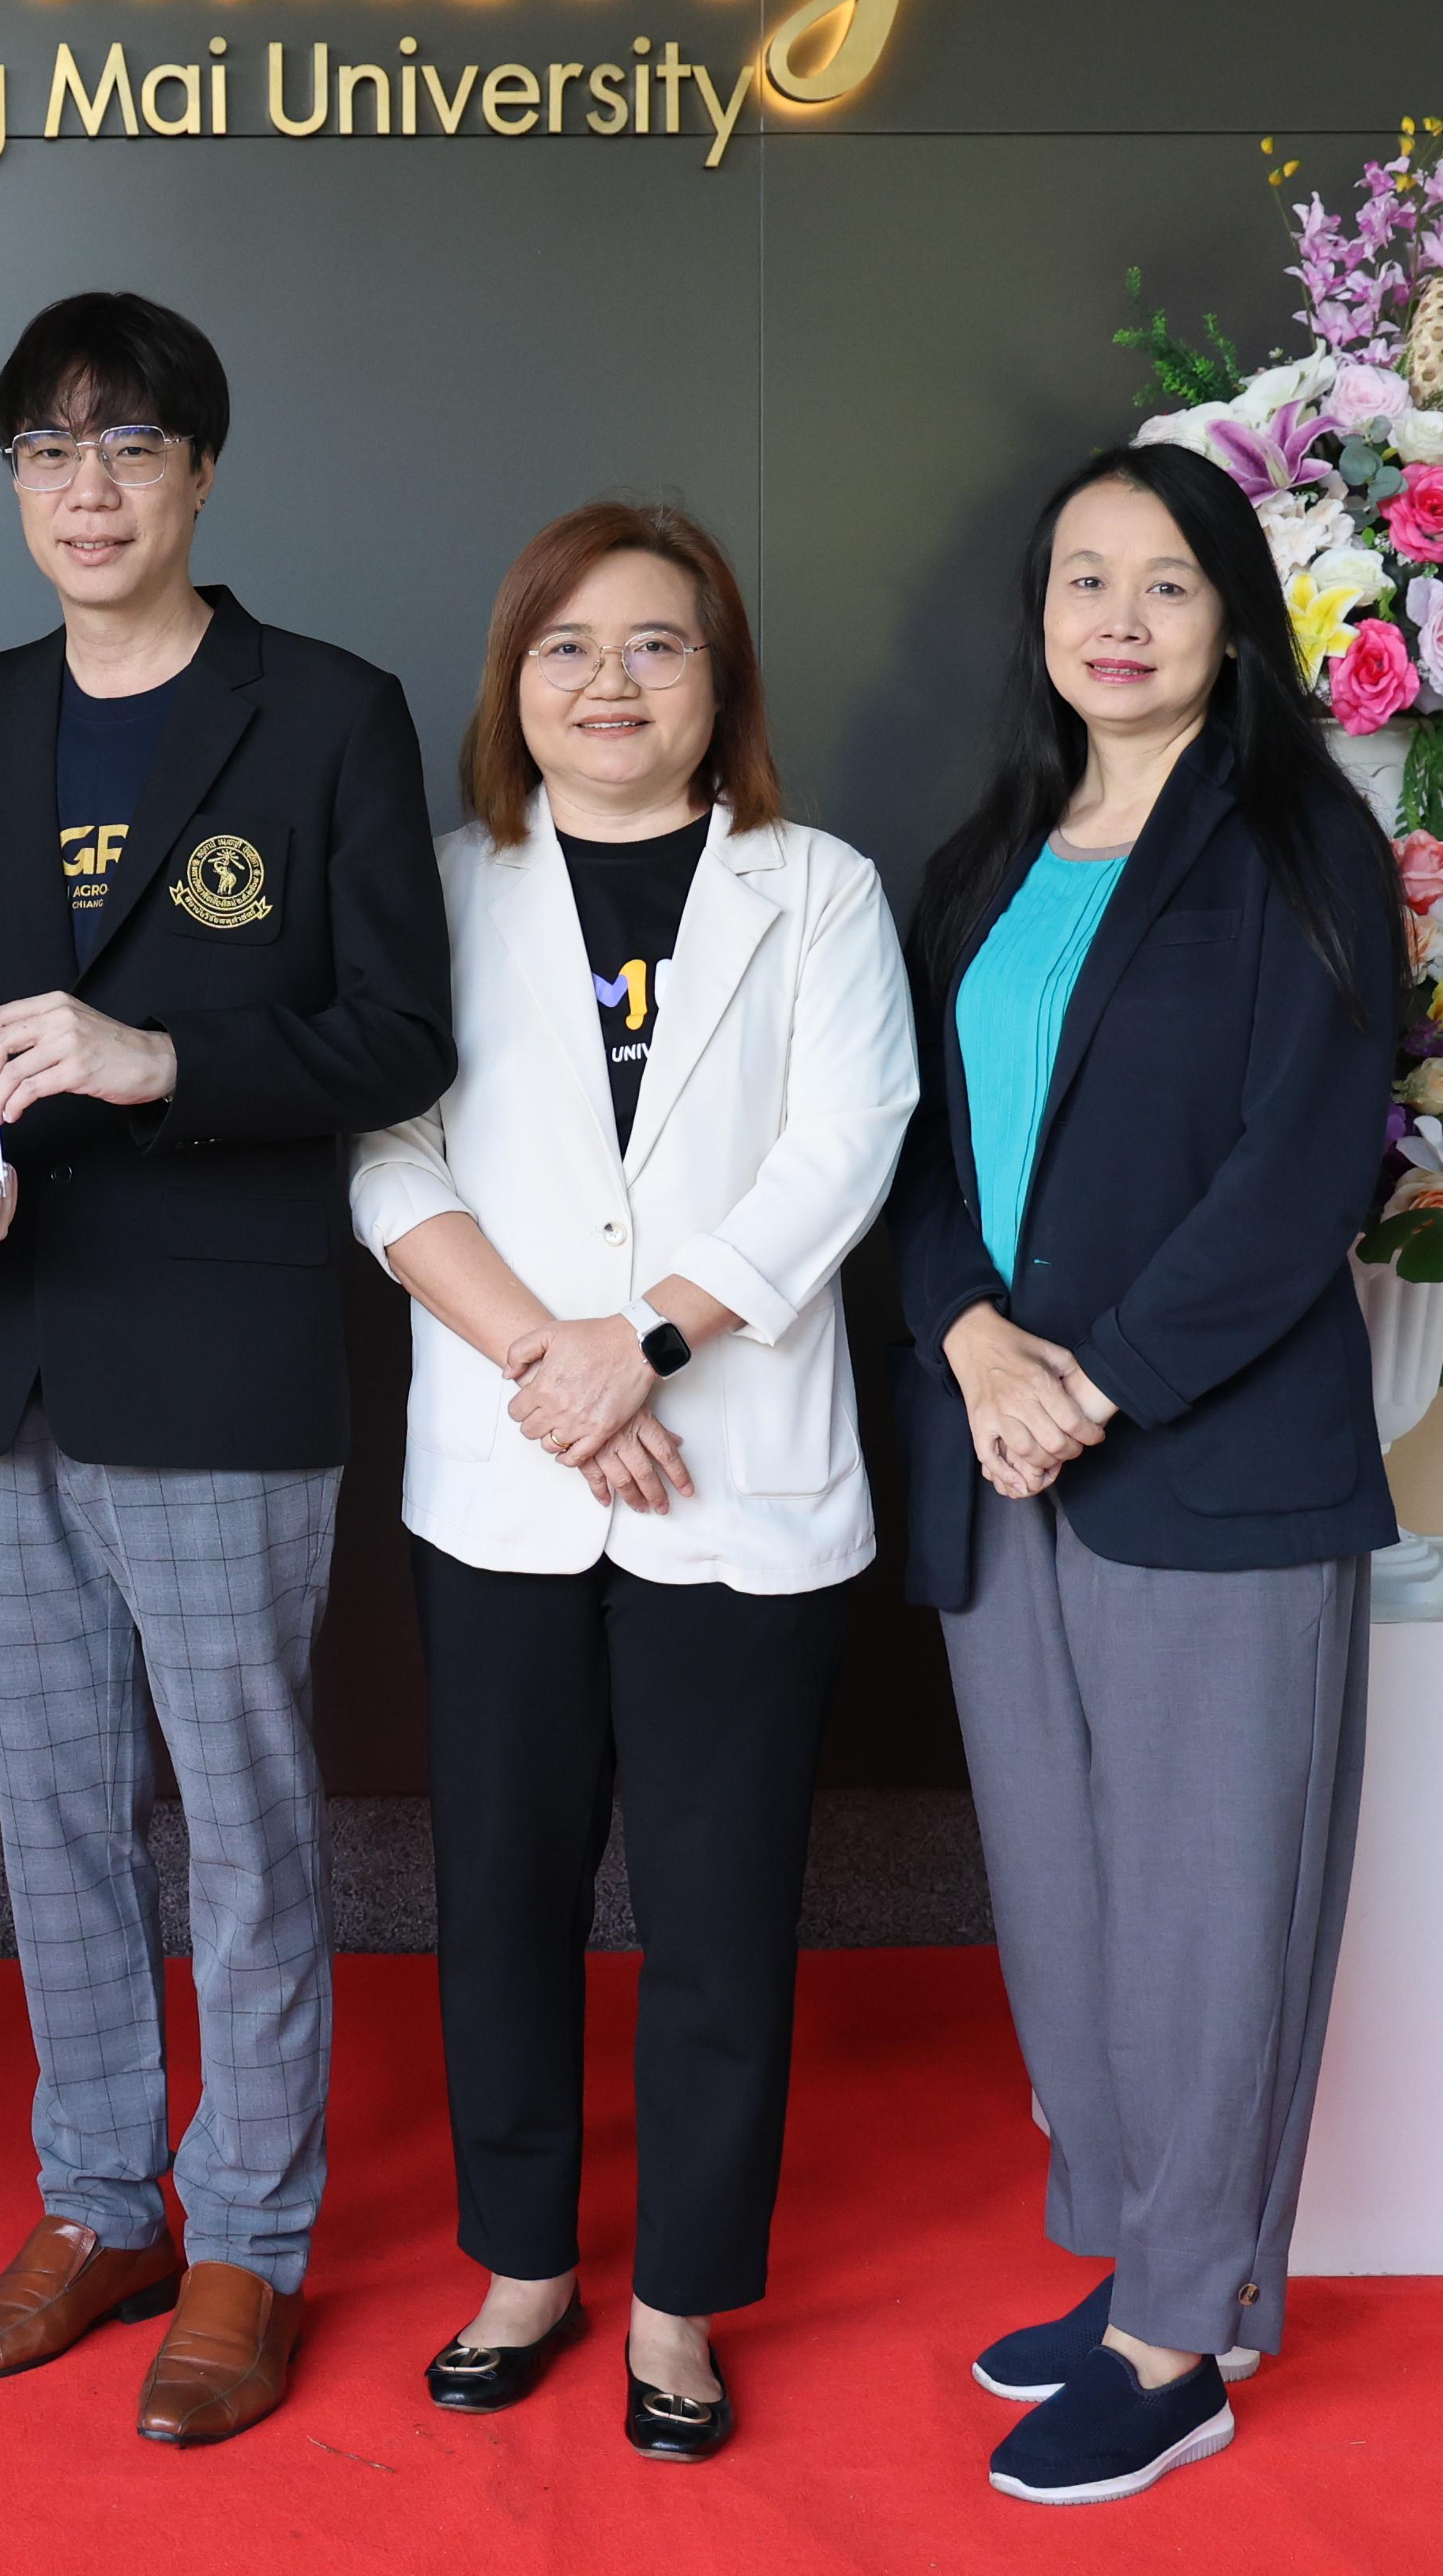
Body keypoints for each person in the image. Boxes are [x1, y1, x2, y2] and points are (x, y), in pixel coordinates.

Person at [0, 290, 453, 2450]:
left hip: (216, 1352)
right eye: (48, 450)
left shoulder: (329, 712)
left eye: (128, 447)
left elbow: (401, 1031)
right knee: (54, 1818)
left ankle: (250, 2239)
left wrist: (161, 1061)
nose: (87, 489)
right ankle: (99, 2204)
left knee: (245, 1822)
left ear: (202, 472)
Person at [347, 501, 915, 2464]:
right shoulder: (443, 884)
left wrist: (647, 1342)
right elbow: (387, 1153)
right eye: (566, 646)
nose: (610, 680)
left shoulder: (815, 888)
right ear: (513, 682)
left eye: (656, 643)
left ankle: (681, 2293)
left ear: (719, 677)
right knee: (500, 1891)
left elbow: (849, 1143)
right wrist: (556, 1360)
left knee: (718, 1907)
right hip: (507, 1470)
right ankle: (523, 2261)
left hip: (731, 1470)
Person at [884, 441, 1403, 2508]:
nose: (1118, 617)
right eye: (1083, 579)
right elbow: (916, 1154)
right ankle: (1144, 2263)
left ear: (1232, 620)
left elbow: (1305, 1170)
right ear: (1039, 617)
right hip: (997, 1452)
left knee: (1209, 1913)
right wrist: (971, 1340)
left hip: (1206, 1459)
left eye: (1167, 582)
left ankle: (1179, 2340)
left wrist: (1089, 1380)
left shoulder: (1299, 842)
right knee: (1067, 1901)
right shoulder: (986, 860)